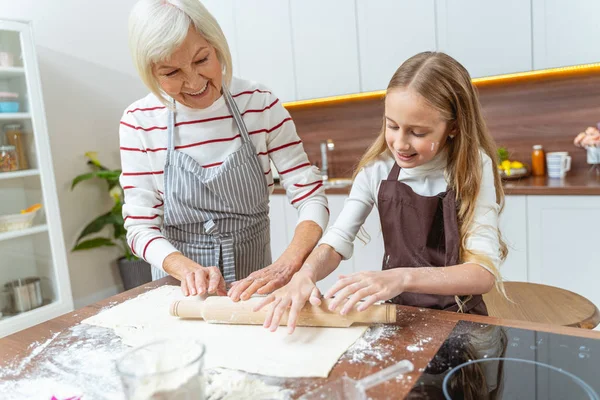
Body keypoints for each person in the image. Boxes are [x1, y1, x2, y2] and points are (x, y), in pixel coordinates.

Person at [256, 52, 508, 333]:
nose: (400, 143)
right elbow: (338, 239)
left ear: (453, 127)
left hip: (461, 320)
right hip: (398, 315)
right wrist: (306, 274)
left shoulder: (473, 167)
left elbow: (483, 274)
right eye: (392, 126)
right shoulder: (377, 170)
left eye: (418, 132)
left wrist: (400, 278)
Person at [120, 0, 329, 299]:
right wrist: (184, 268)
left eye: (202, 59)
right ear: (151, 73)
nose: (193, 81)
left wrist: (287, 264)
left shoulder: (259, 103)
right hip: (181, 294)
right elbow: (140, 227)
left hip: (257, 291)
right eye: (171, 72)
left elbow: (310, 196)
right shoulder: (139, 123)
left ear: (216, 45)